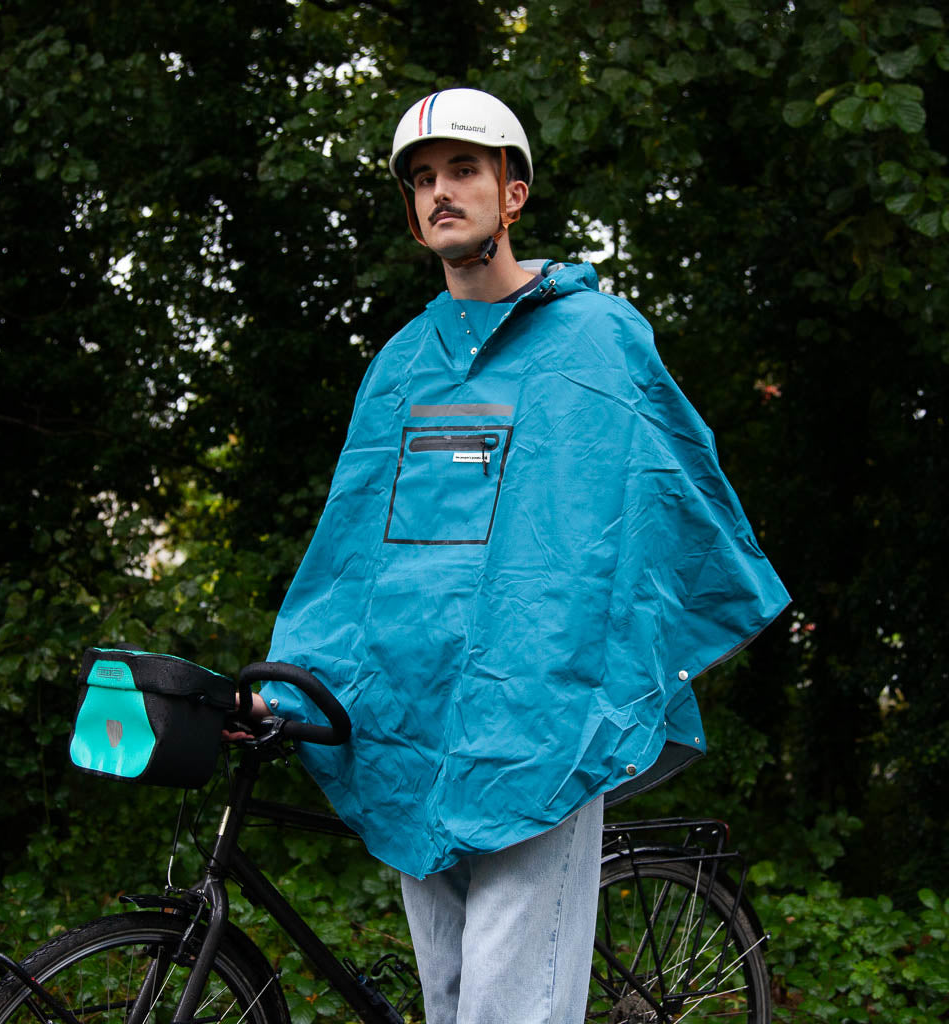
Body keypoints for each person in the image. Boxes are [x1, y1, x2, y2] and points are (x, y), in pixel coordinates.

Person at [246, 88, 789, 1024]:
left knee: (511, 1005)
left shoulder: (598, 339)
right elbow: (349, 557)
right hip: (412, 721)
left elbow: (669, 504)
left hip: (544, 719)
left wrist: (611, 672)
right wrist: (294, 682)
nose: (440, 192)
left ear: (513, 193)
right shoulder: (402, 366)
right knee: (451, 995)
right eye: (422, 179)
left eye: (463, 170)